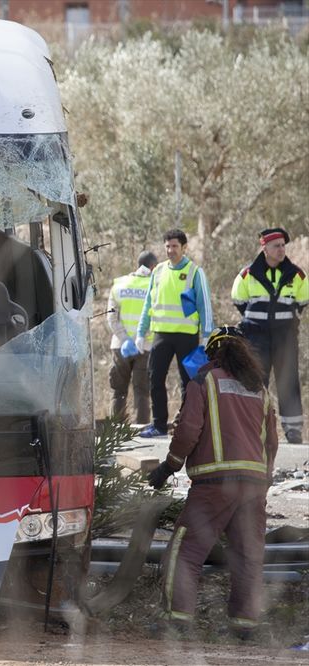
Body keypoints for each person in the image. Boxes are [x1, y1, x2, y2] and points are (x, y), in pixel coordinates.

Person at [148, 326, 278, 639]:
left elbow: (188, 430)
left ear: (213, 353)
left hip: (214, 485)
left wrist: (169, 466)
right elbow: (271, 442)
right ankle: (245, 627)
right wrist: (264, 479)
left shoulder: (203, 381)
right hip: (254, 485)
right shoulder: (259, 390)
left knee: (186, 550)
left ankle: (177, 621)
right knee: (248, 555)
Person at [231, 227, 308, 444]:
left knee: (288, 382)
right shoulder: (246, 274)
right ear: (264, 247)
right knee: (254, 381)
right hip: (256, 338)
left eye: (284, 245)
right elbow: (239, 301)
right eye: (277, 246)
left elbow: (302, 302)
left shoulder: (298, 275)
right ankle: (250, 428)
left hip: (285, 338)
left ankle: (293, 431)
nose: (282, 250)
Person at [135, 229, 214, 437]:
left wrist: (207, 335)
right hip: (161, 334)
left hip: (186, 336)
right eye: (167, 246)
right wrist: (140, 332)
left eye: (175, 246)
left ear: (184, 247)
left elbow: (204, 305)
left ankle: (186, 424)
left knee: (189, 381)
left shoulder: (195, 272)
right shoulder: (158, 271)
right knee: (155, 377)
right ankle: (159, 425)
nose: (171, 250)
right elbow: (148, 304)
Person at [106, 250, 159, 424]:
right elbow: (158, 318)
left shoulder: (120, 285)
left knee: (119, 391)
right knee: (142, 391)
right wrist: (141, 338)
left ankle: (115, 430)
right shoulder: (156, 287)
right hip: (145, 347)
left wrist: (125, 338)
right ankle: (141, 429)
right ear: (153, 266)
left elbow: (111, 317)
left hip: (120, 346)